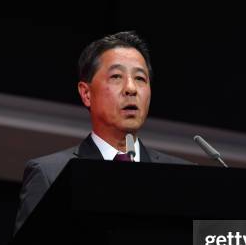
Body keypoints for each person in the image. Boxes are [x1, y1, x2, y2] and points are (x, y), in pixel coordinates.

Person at [14, 31, 190, 234]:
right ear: (86, 94)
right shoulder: (50, 174)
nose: (131, 88)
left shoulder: (181, 176)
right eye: (116, 76)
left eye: (140, 78)